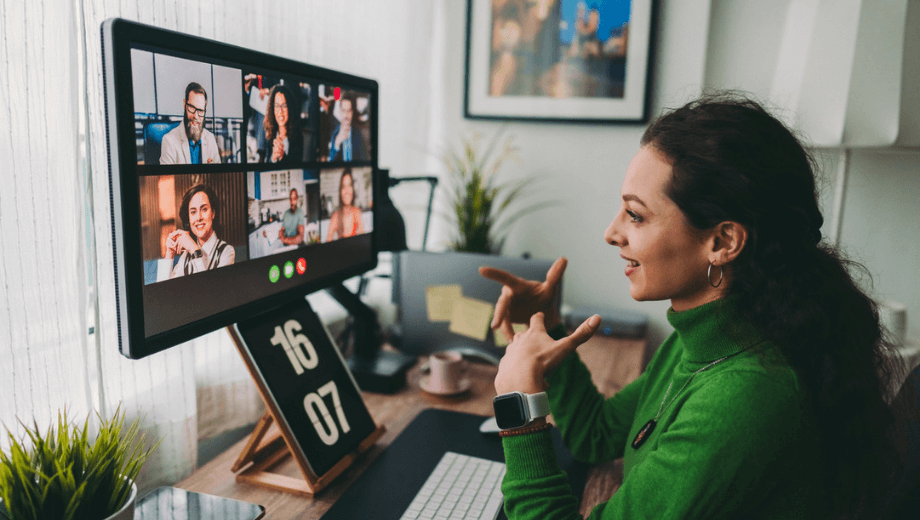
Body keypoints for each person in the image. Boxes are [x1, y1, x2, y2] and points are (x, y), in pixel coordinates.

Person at [480, 93, 904, 519]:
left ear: (721, 242)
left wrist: (518, 407)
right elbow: (598, 434)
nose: (611, 232)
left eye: (636, 216)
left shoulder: (744, 399)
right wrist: (550, 324)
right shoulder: (705, 340)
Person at [159, 184, 235, 280]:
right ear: (189, 218)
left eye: (204, 209)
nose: (198, 217)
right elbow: (163, 290)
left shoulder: (226, 251)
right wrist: (169, 254)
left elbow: (212, 290)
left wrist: (194, 250)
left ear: (213, 213)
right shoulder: (186, 256)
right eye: (193, 212)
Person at [159, 82, 221, 165]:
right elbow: (167, 177)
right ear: (184, 104)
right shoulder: (169, 141)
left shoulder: (210, 139)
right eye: (192, 107)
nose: (195, 116)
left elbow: (218, 176)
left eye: (200, 111)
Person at [262, 84, 303, 164]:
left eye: (284, 106)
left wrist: (282, 156)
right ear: (272, 109)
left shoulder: (299, 137)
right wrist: (273, 158)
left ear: (290, 108)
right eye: (277, 106)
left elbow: (297, 170)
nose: (280, 111)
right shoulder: (268, 135)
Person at [325, 168, 364, 241]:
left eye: (349, 185)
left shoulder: (357, 213)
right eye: (343, 187)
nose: (347, 191)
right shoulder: (335, 217)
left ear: (353, 189)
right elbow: (327, 246)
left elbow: (364, 241)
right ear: (340, 191)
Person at [327, 94, 368, 161]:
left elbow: (364, 160)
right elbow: (329, 164)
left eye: (349, 111)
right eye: (343, 111)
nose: (346, 115)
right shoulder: (334, 134)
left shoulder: (358, 133)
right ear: (340, 111)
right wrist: (337, 144)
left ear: (352, 112)